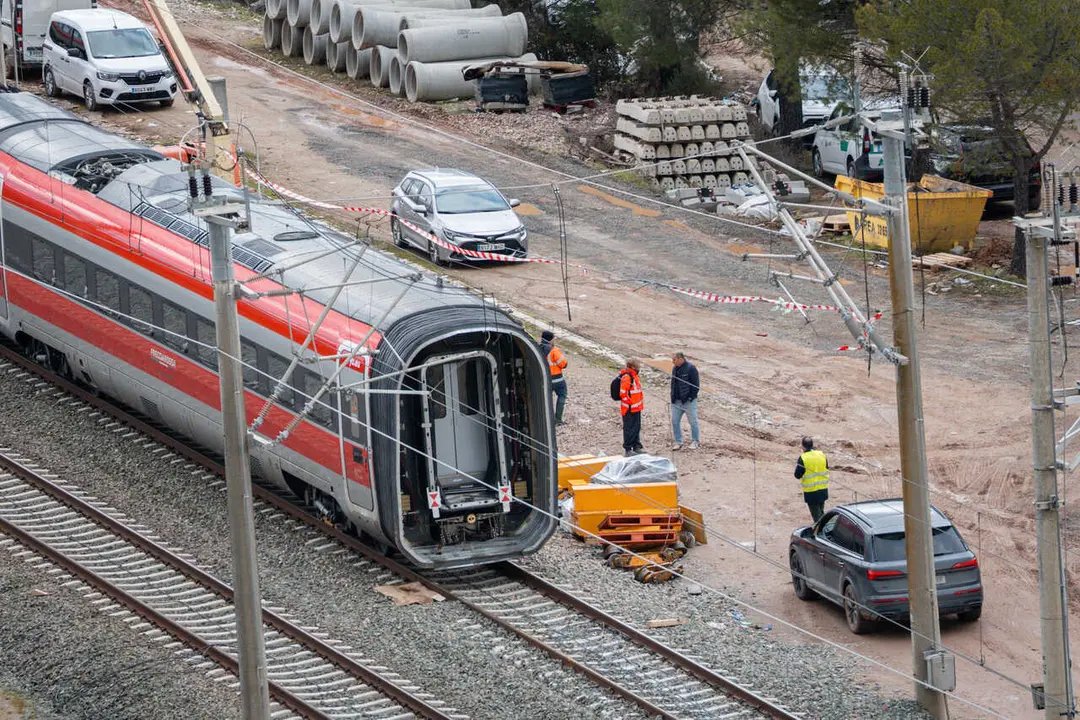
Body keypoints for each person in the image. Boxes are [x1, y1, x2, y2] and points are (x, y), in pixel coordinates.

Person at [794, 436, 829, 523]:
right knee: (821, 513)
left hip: (811, 492)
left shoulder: (803, 458)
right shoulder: (822, 454)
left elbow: (797, 475)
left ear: (803, 447)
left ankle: (820, 533)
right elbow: (826, 467)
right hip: (823, 489)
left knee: (817, 518)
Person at [670, 352, 700, 450]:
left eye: (674, 360)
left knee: (693, 422)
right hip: (676, 401)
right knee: (674, 421)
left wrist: (691, 398)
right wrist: (672, 397)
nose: (672, 362)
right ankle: (678, 442)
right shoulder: (675, 368)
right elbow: (673, 384)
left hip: (689, 402)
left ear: (681, 359)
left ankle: (695, 441)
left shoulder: (691, 368)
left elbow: (696, 385)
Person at [539, 330, 568, 425]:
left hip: (545, 379)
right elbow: (564, 364)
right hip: (558, 379)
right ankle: (558, 419)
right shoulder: (554, 350)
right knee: (562, 395)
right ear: (550, 340)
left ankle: (546, 418)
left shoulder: (538, 348)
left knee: (547, 398)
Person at [619, 358, 644, 456]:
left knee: (636, 427)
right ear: (633, 366)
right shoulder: (627, 377)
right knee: (629, 428)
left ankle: (636, 446)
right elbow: (623, 393)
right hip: (629, 408)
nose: (639, 367)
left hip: (636, 407)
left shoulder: (635, 376)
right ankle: (628, 449)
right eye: (638, 365)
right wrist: (629, 403)